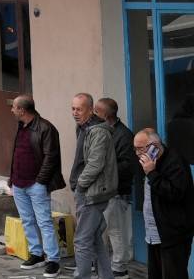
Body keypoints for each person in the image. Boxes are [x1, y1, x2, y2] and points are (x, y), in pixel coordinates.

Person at [9, 95, 65, 278]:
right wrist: (12, 178)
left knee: (44, 222)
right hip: (19, 183)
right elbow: (17, 154)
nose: (12, 110)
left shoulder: (46, 128)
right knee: (27, 220)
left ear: (22, 110)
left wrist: (40, 181)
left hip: (36, 184)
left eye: (14, 108)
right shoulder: (21, 126)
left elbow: (51, 157)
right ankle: (36, 254)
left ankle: (53, 261)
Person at [134, 128, 194, 278]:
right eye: (135, 149)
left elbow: (175, 194)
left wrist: (152, 173)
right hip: (154, 233)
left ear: (155, 146)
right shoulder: (151, 161)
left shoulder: (175, 162)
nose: (137, 154)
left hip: (173, 234)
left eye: (140, 149)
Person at [71, 92, 117, 279]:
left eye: (79, 109)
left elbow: (95, 164)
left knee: (81, 240)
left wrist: (80, 185)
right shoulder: (83, 128)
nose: (74, 113)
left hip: (91, 193)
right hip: (86, 191)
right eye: (72, 108)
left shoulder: (98, 131)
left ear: (91, 110)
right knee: (95, 239)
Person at [94, 97, 136, 278]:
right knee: (102, 229)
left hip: (117, 191)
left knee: (117, 231)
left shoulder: (124, 135)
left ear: (106, 115)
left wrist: (103, 169)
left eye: (97, 111)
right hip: (103, 190)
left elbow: (128, 166)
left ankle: (120, 268)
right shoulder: (102, 131)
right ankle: (104, 264)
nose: (94, 114)